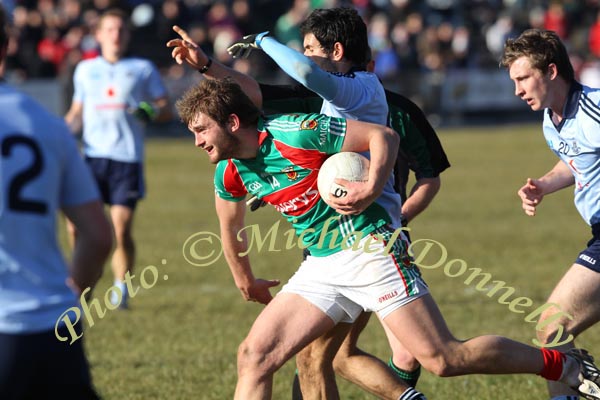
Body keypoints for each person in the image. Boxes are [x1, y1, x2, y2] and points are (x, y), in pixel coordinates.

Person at [177, 76, 600, 400]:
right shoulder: (229, 169)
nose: (196, 141)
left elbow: (384, 136)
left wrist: (369, 186)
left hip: (373, 250)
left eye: (201, 130)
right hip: (321, 266)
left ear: (232, 122)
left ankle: (563, 366)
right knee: (254, 357)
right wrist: (245, 279)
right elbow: (229, 225)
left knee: (443, 359)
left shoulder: (295, 131)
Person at [169, 8, 422, 398]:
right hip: (325, 247)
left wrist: (263, 39)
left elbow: (304, 76)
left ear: (336, 52)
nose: (301, 56)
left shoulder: (352, 88)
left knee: (434, 355)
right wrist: (206, 65)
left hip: (367, 235)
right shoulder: (320, 98)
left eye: (307, 48)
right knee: (294, 357)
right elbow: (250, 94)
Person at [258, 79, 450, 398]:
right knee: (317, 355)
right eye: (306, 52)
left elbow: (430, 177)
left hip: (377, 244)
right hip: (325, 250)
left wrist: (398, 217)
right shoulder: (310, 106)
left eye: (314, 50)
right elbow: (252, 103)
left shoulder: (399, 111)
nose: (311, 62)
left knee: (424, 356)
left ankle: (555, 364)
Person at [0, 5, 113, 399]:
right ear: (9, 44)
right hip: (51, 326)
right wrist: (72, 291)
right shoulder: (46, 124)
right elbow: (98, 236)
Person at [502, 28, 600, 400]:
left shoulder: (595, 108)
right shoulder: (550, 119)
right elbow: (576, 161)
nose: (517, 90)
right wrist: (543, 185)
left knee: (552, 327)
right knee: (551, 329)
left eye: (523, 78)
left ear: (552, 72)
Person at [65, 8, 171, 309]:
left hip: (126, 160)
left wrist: (149, 110)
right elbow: (77, 113)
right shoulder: (85, 70)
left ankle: (121, 287)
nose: (116, 35)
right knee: (78, 226)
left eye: (121, 30)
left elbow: (165, 108)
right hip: (92, 159)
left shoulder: (142, 69)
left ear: (128, 35)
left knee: (121, 229)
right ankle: (84, 280)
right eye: (110, 29)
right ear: (98, 35)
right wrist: (62, 132)